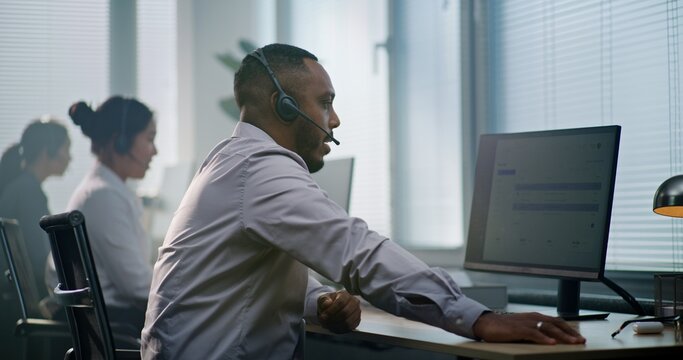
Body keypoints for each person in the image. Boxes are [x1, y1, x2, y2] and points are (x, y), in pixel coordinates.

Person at [141, 44, 585, 360]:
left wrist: (318, 302)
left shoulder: (232, 162)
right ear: (286, 107)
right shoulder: (260, 168)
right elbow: (357, 250)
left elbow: (244, 281)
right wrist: (479, 317)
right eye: (325, 102)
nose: (335, 120)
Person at [60, 96, 157, 334]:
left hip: (110, 319)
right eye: (150, 138)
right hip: (114, 325)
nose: (155, 151)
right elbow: (138, 287)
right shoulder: (103, 197)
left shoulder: (107, 190)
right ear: (120, 142)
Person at [0, 117, 71, 299]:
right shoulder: (28, 192)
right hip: (29, 300)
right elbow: (38, 258)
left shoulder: (22, 187)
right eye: (66, 149)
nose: (70, 157)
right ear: (49, 151)